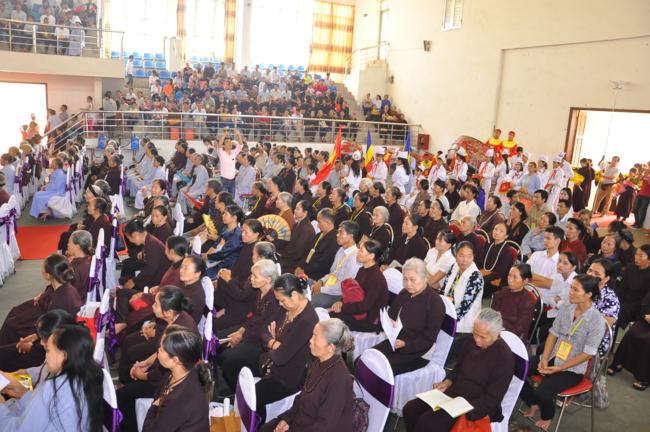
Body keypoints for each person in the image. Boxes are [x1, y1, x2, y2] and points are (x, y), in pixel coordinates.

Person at [402, 308, 515, 432]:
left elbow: (492, 399)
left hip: (475, 404)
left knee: (429, 423)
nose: (477, 340)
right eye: (475, 333)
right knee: (410, 409)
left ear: (497, 334)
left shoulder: (504, 358)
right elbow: (458, 368)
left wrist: (465, 410)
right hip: (455, 393)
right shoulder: (470, 341)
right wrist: (446, 383)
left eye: (483, 337)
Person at [520, 275, 606, 431]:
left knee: (543, 393)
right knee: (516, 369)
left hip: (572, 368)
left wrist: (560, 368)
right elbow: (553, 334)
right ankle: (533, 402)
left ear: (588, 294)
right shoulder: (567, 307)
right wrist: (544, 358)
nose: (570, 292)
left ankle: (547, 415)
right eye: (571, 287)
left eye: (575, 289)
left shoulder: (597, 321)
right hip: (553, 356)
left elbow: (588, 354)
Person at [117, 286, 198, 431]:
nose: (152, 307)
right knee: (126, 371)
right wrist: (146, 363)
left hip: (168, 381)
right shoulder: (174, 319)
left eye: (156, 304)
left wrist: (141, 375)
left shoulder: (179, 333)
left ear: (168, 312)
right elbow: (160, 351)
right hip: (164, 370)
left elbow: (162, 374)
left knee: (121, 396)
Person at [0, 324, 104, 431]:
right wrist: (24, 395)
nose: (46, 356)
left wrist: (1, 407)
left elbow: (20, 430)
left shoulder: (53, 387)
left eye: (48, 350)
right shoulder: (85, 377)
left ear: (64, 356)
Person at [260, 318, 354, 432]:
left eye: (315, 336)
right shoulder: (317, 363)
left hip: (316, 428)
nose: (310, 340)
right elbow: (302, 398)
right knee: (265, 429)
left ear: (330, 347)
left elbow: (324, 426)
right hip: (303, 421)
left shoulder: (339, 380)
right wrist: (287, 419)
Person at [255, 274, 318, 422]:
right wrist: (275, 343)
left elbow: (281, 357)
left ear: (294, 295)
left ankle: (259, 425)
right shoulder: (287, 307)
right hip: (271, 362)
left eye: (282, 300)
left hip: (288, 376)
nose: (280, 304)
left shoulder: (307, 320)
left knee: (253, 397)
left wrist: (272, 342)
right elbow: (263, 330)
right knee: (237, 364)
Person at [219, 258, 282, 391]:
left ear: (268, 280)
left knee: (228, 358)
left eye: (255, 276)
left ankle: (236, 390)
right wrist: (241, 331)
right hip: (250, 331)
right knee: (218, 339)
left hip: (260, 341)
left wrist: (242, 337)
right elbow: (253, 315)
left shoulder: (275, 300)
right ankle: (223, 383)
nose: (251, 279)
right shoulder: (260, 292)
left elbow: (263, 329)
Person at [373, 258, 445, 374]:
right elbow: (392, 314)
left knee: (381, 370)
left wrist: (405, 344)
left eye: (412, 280)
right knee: (367, 358)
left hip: (417, 351)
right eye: (405, 279)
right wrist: (389, 322)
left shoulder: (435, 303)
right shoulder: (404, 293)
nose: (408, 284)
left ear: (425, 278)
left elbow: (428, 339)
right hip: (396, 341)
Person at [142, 325, 213, 431]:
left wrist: (154, 407)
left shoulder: (179, 400)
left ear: (175, 360)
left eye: (162, 349)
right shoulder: (179, 372)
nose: (158, 350)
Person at [213, 219, 265, 334]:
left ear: (256, 234)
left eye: (246, 232)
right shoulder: (247, 246)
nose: (242, 234)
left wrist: (229, 279)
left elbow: (243, 289)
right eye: (242, 231)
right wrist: (226, 274)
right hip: (234, 290)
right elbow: (237, 269)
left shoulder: (255, 257)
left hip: (240, 303)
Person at [330, 239, 389, 332]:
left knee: (332, 318)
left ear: (371, 256)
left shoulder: (376, 278)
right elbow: (352, 292)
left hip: (369, 319)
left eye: (361, 251)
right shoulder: (362, 270)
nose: (357, 252)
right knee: (332, 313)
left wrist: (343, 307)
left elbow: (365, 306)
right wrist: (341, 302)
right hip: (359, 311)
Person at [442, 242, 484, 361]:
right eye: (461, 255)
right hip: (448, 311)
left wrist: (447, 320)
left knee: (444, 352)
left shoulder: (475, 276)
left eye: (469, 256)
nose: (465, 260)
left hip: (462, 323)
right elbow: (444, 289)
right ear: (456, 255)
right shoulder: (454, 267)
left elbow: (464, 307)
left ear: (473, 256)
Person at [608, 285, 650, 391]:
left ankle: (644, 377)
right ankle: (619, 362)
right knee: (632, 333)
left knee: (648, 341)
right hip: (647, 320)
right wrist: (647, 315)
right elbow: (645, 303)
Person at [311, 221, 362, 308]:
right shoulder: (341, 250)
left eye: (341, 232)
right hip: (329, 287)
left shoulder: (355, 258)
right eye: (338, 232)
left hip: (338, 295)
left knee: (308, 302)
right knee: (302, 283)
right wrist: (321, 281)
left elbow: (343, 286)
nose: (337, 235)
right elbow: (333, 273)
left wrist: (321, 289)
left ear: (351, 236)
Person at [120, 219, 171, 291]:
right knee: (124, 277)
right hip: (153, 273)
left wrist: (133, 281)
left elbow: (149, 271)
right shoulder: (148, 240)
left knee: (125, 288)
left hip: (157, 280)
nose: (130, 241)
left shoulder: (152, 245)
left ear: (135, 235)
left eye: (129, 238)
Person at [491, 264, 535, 340]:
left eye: (515, 277)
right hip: (495, 329)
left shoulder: (527, 301)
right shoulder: (503, 291)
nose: (510, 280)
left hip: (512, 337)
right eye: (509, 275)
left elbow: (518, 330)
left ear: (525, 281)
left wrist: (498, 332)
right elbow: (492, 312)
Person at [295, 208, 339, 281]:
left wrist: (304, 271)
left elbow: (323, 263)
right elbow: (307, 251)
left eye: (319, 222)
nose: (317, 225)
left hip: (317, 275)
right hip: (305, 268)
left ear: (328, 223)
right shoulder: (319, 234)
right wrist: (300, 266)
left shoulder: (335, 240)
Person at [615, 244, 650, 329]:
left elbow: (646, 300)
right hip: (624, 299)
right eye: (636, 254)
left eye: (641, 256)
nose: (636, 257)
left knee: (619, 312)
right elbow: (622, 287)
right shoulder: (630, 267)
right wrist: (616, 299)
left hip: (638, 305)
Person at [204, 205, 244, 278]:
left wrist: (207, 256)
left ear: (234, 218)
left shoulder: (236, 235)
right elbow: (216, 244)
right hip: (214, 258)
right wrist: (207, 254)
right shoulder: (226, 227)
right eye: (223, 213)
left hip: (222, 266)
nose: (223, 216)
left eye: (226, 214)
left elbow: (223, 254)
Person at [278, 200, 315, 273]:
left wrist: (282, 255)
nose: (294, 210)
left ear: (305, 212)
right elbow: (289, 242)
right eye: (295, 208)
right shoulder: (298, 224)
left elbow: (298, 252)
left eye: (298, 209)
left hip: (296, 262)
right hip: (289, 255)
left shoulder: (307, 229)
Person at [480, 222, 516, 294]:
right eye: (495, 229)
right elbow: (482, 262)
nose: (497, 232)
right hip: (485, 274)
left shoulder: (507, 251)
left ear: (506, 236)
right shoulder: (489, 244)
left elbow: (499, 273)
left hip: (496, 282)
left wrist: (482, 279)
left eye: (501, 231)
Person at [66, 230, 93, 302]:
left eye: (69, 242)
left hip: (76, 302)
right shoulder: (88, 259)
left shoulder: (76, 268)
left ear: (77, 246)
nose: (67, 244)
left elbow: (69, 293)